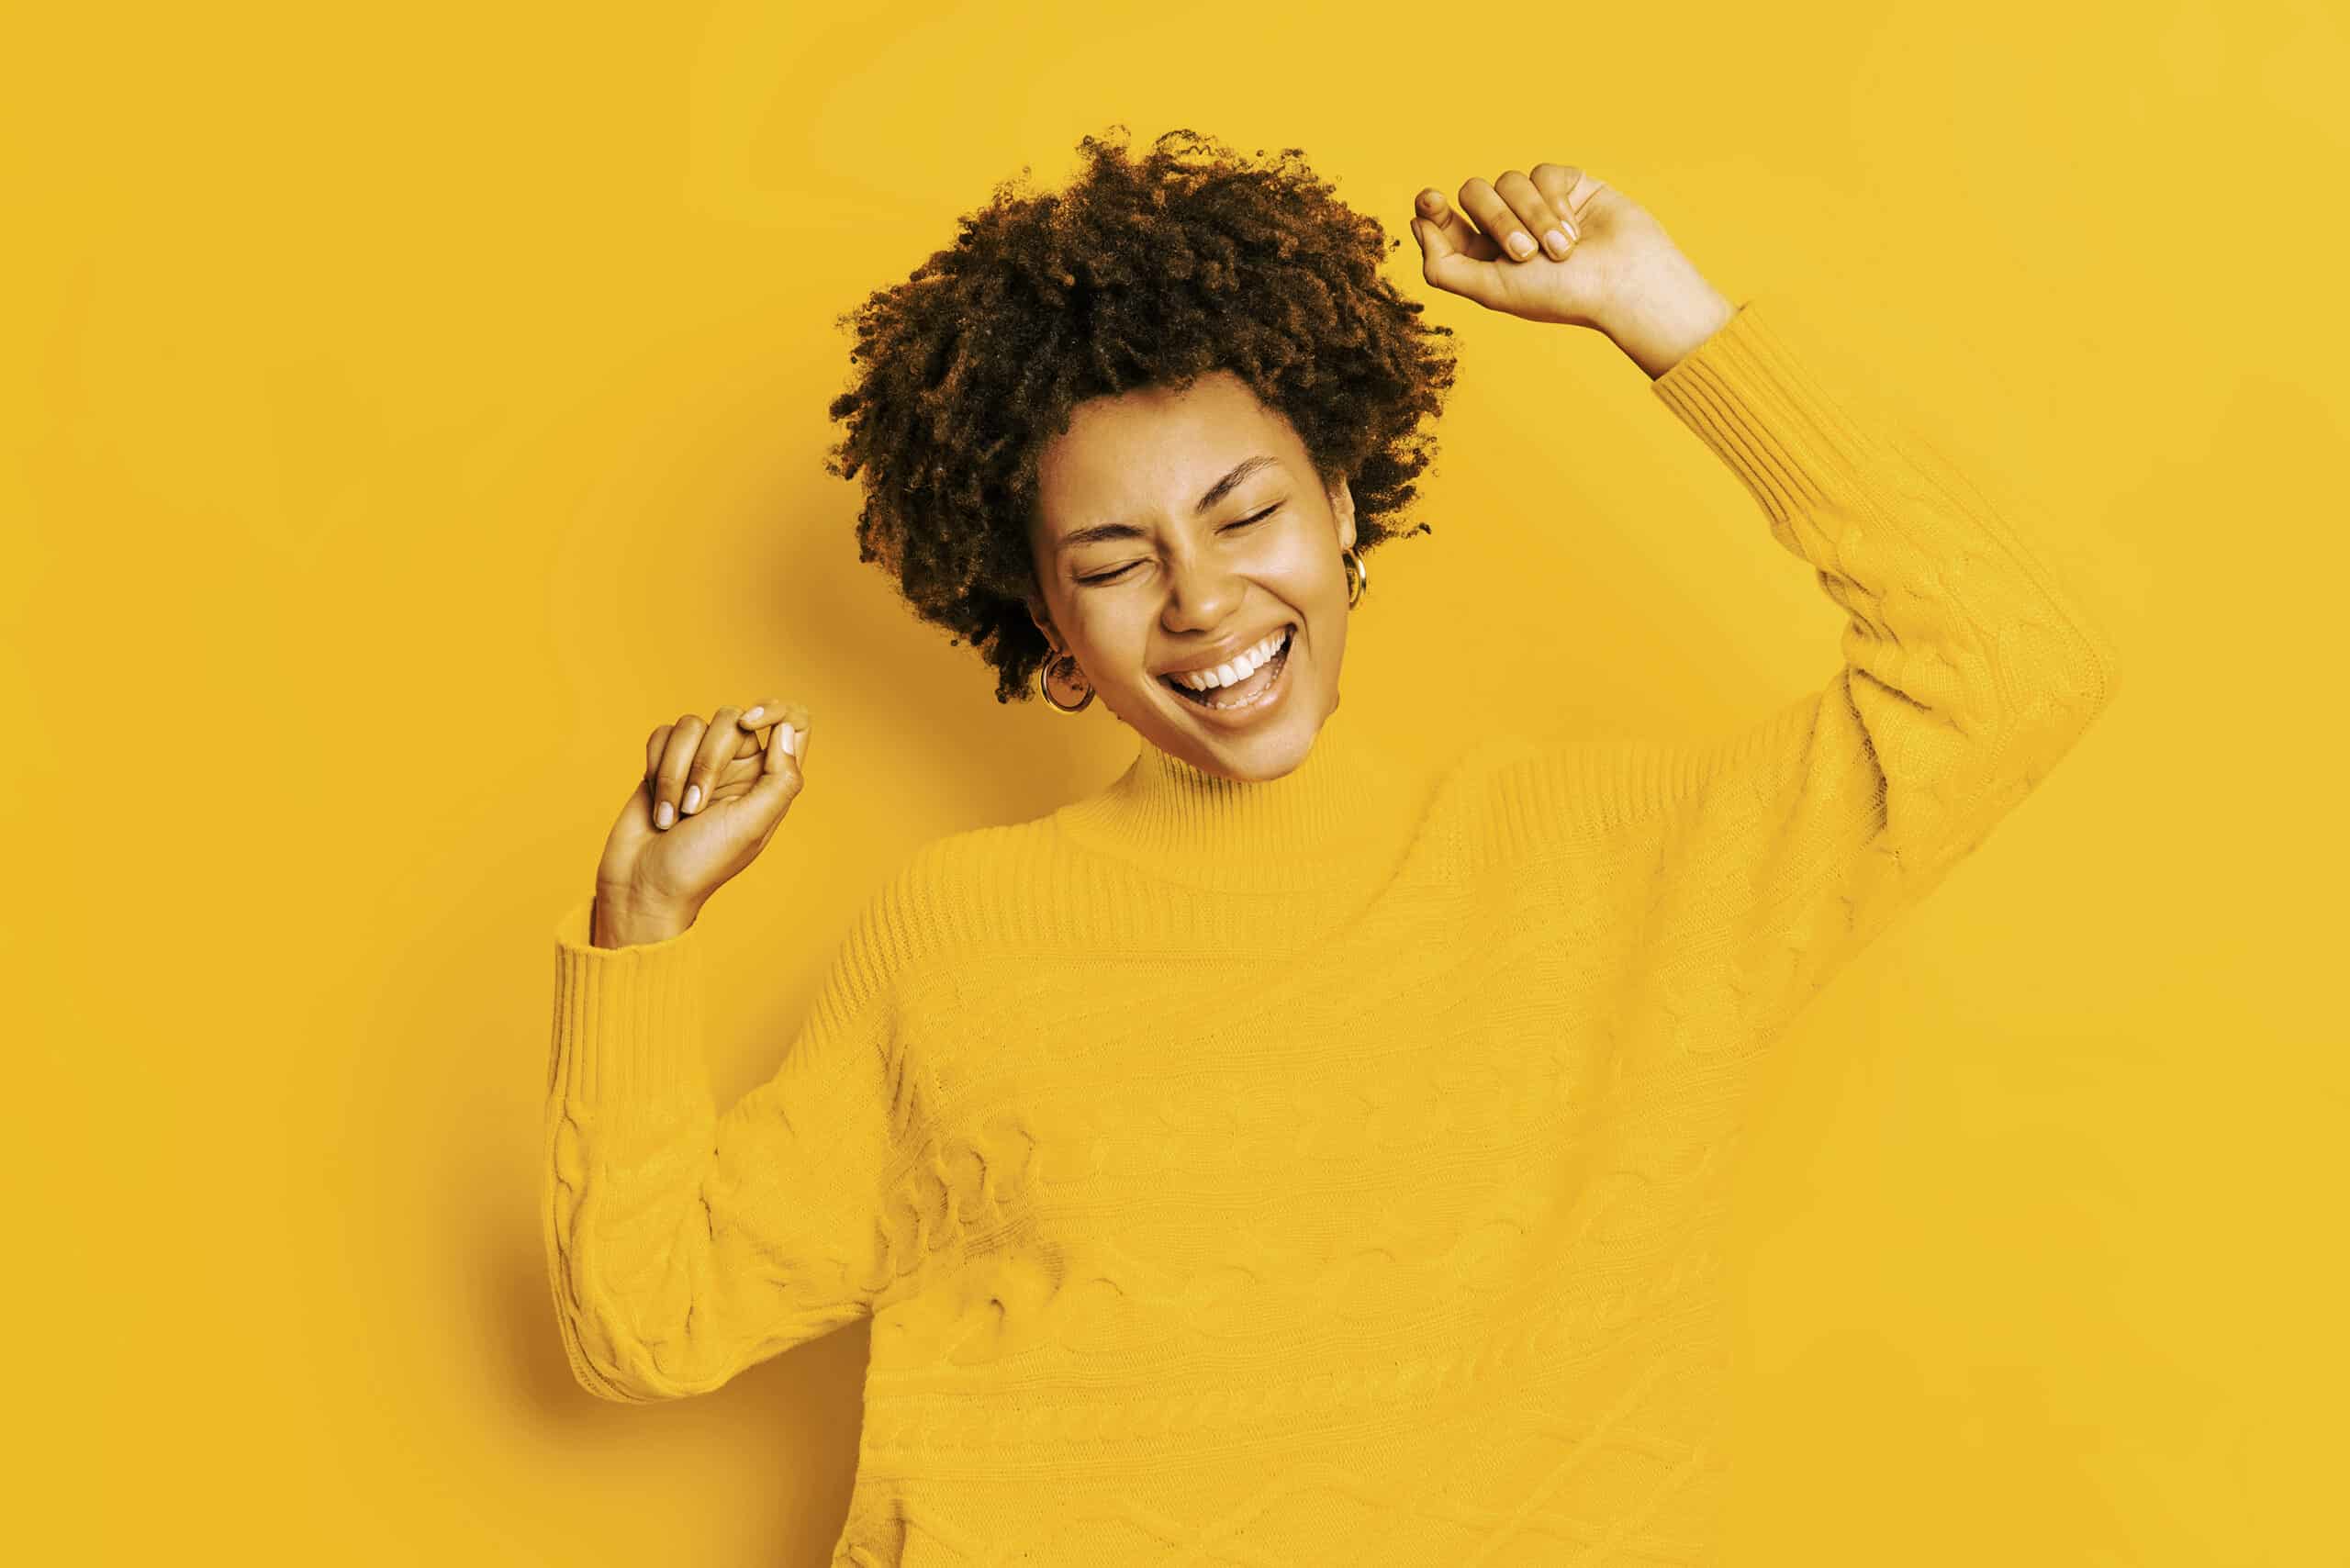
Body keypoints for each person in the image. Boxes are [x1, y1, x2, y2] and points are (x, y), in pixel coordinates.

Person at [542, 129, 2121, 1563]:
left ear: (1347, 512)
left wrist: (1669, 320)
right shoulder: (961, 934)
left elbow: (2013, 666)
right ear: (1052, 631)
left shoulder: (1621, 868)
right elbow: (646, 1322)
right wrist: (641, 922)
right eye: (1114, 561)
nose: (1204, 600)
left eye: (1246, 514)